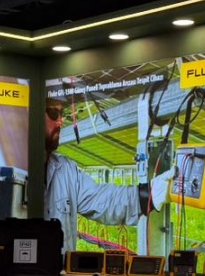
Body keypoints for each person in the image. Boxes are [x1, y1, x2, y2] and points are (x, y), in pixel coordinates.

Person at [44, 98, 172, 255]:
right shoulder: (15, 173)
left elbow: (103, 200)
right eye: (53, 113)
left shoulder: (65, 171)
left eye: (62, 113)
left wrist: (151, 194)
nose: (60, 122)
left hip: (59, 271)